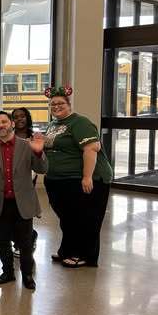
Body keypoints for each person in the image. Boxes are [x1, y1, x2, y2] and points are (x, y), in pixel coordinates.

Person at [43, 86, 113, 268]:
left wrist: (87, 177)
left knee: (86, 218)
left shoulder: (80, 122)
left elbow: (91, 149)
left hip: (85, 179)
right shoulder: (53, 124)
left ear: (69, 104)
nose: (56, 106)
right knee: (68, 218)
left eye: (60, 103)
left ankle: (85, 255)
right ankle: (67, 250)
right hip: (60, 180)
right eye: (53, 104)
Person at [0, 112, 48, 290]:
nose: (1, 125)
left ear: (11, 124)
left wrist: (39, 153)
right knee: (3, 240)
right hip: (0, 202)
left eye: (4, 122)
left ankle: (27, 274)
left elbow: (42, 168)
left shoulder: (27, 146)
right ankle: (8, 272)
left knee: (25, 241)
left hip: (22, 202)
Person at [12, 107, 38, 258]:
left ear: (27, 118)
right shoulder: (9, 137)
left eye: (22, 116)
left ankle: (23, 243)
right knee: (11, 214)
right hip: (9, 181)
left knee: (24, 214)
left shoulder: (34, 137)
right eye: (15, 117)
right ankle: (26, 237)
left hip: (28, 180)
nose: (19, 119)